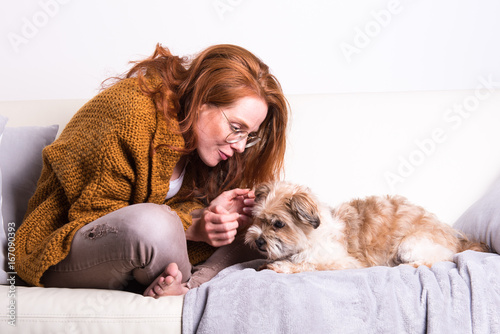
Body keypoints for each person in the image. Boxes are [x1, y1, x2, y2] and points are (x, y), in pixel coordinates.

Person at [14, 44, 288, 297]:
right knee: (154, 223)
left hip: (147, 256)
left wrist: (214, 216)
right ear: (202, 100)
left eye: (248, 135)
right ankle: (184, 290)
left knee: (252, 222)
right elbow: (95, 217)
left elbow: (175, 206)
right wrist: (192, 225)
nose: (240, 145)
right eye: (236, 128)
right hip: (63, 249)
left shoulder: (201, 144)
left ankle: (191, 287)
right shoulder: (129, 112)